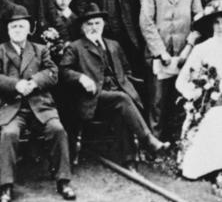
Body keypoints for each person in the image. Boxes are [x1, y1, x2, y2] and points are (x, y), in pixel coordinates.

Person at [0, 6, 74, 202]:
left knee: (57, 129)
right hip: (12, 107)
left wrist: (34, 82)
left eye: (21, 26)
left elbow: (53, 71)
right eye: (13, 26)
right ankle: (6, 186)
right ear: (8, 30)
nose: (17, 30)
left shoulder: (40, 49)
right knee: (9, 134)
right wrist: (15, 84)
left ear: (29, 30)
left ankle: (63, 180)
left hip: (39, 105)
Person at [59, 9, 169, 166]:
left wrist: (128, 84)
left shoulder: (114, 45)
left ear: (103, 25)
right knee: (122, 99)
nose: (94, 27)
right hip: (92, 96)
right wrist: (82, 78)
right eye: (89, 24)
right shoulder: (76, 47)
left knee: (122, 108)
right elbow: (63, 71)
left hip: (116, 93)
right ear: (83, 27)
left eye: (97, 23)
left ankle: (129, 160)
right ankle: (148, 140)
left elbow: (126, 69)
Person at [174, 0, 222, 182]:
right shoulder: (202, 48)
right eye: (216, 22)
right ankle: (207, 167)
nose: (220, 26)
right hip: (207, 97)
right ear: (211, 25)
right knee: (213, 118)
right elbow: (182, 79)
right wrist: (192, 94)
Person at [138, 0, 202, 141]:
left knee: (182, 96)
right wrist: (160, 52)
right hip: (161, 54)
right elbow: (146, 22)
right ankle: (155, 140)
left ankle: (178, 139)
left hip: (183, 52)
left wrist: (188, 49)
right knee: (157, 99)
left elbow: (199, 21)